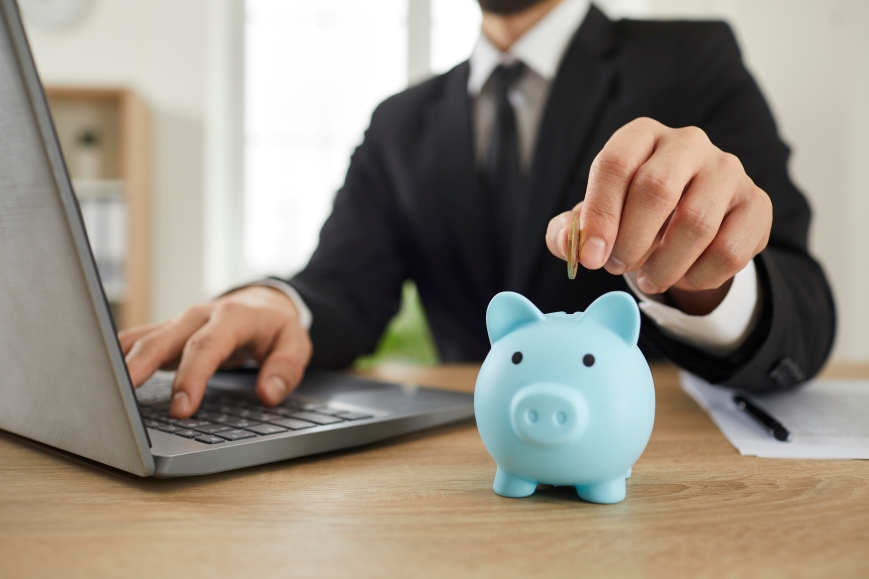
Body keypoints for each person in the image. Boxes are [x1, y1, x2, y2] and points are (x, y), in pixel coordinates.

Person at [120, 0, 835, 419]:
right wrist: (278, 304)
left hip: (646, 453)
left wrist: (703, 279)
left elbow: (803, 304)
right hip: (470, 463)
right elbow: (342, 285)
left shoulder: (692, 58)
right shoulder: (399, 122)